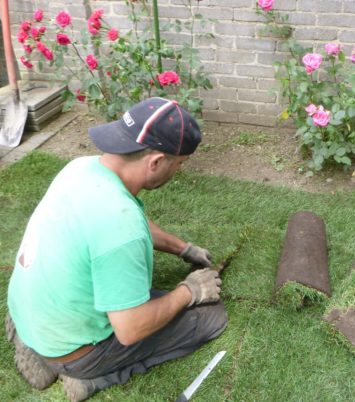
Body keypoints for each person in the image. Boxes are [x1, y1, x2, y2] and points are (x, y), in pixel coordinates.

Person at [5, 97, 228, 401]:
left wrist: (183, 248)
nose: (177, 172)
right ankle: (92, 378)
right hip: (76, 351)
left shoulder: (81, 169)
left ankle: (31, 341)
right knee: (210, 318)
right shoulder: (121, 228)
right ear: (156, 162)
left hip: (30, 312)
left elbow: (130, 220)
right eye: (179, 165)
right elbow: (130, 330)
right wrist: (191, 292)